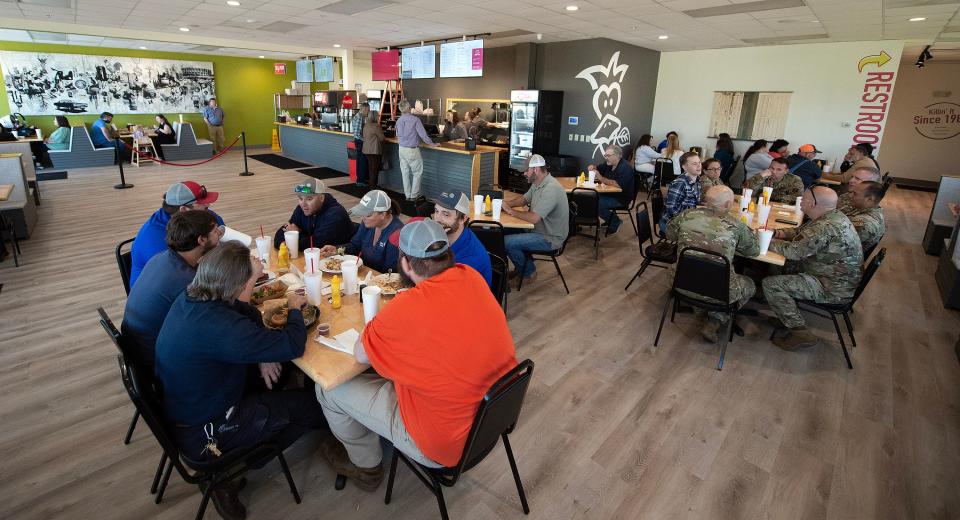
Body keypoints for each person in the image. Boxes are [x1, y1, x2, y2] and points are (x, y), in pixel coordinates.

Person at [314, 219, 517, 490]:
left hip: (443, 446)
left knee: (327, 388)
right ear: (448, 254)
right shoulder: (471, 276)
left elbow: (361, 355)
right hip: (493, 420)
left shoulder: (405, 306)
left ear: (407, 265)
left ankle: (366, 466)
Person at [155, 242, 327, 519]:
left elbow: (243, 312)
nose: (256, 281)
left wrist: (260, 353)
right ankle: (230, 471)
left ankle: (256, 438)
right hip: (208, 430)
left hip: (189, 405)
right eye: (253, 278)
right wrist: (294, 308)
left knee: (281, 373)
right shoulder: (220, 326)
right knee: (317, 404)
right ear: (238, 285)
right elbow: (294, 345)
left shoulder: (194, 296)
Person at [763, 186, 863, 350]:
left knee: (771, 284)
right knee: (777, 267)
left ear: (813, 203)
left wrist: (764, 240)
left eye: (804, 198)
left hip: (831, 288)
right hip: (836, 278)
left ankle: (800, 333)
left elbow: (794, 251)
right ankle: (785, 314)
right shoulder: (832, 216)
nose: (801, 200)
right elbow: (801, 233)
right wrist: (777, 233)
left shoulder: (824, 227)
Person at [121, 210, 220, 367]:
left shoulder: (160, 258)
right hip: (159, 362)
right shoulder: (188, 282)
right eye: (215, 231)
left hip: (138, 348)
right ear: (201, 240)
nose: (220, 233)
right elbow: (220, 322)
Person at [667, 185, 759, 342]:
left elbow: (670, 234)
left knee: (698, 272)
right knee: (749, 284)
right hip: (720, 291)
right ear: (728, 205)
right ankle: (715, 319)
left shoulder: (687, 215)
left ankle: (699, 310)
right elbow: (753, 252)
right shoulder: (737, 226)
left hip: (681, 282)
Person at [130, 181, 225, 288]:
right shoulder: (155, 239)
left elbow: (219, 224)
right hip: (164, 292)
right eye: (204, 207)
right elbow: (182, 279)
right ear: (184, 209)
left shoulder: (193, 215)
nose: (208, 206)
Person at [501, 154, 570, 281]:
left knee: (506, 242)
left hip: (550, 238)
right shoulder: (538, 182)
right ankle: (521, 266)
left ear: (536, 170)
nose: (524, 174)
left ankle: (529, 273)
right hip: (538, 230)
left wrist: (510, 211)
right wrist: (505, 204)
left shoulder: (551, 189)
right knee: (500, 232)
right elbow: (524, 199)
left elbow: (534, 218)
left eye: (527, 171)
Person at [319, 190, 403, 273]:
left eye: (367, 215)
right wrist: (336, 249)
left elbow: (390, 273)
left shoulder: (397, 234)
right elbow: (355, 245)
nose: (362, 218)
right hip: (362, 273)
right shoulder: (368, 223)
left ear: (383, 215)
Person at [430, 190, 493, 286]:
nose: (437, 218)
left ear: (463, 219)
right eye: (436, 211)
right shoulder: (443, 237)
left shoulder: (469, 259)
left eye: (445, 214)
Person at [274, 178, 353, 253]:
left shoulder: (335, 215)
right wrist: (283, 245)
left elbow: (316, 246)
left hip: (343, 259)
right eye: (300, 198)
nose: (303, 204)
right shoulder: (302, 208)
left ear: (321, 198)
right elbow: (282, 232)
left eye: (309, 199)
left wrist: (294, 235)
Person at [395, 99, 439, 201]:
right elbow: (423, 135)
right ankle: (414, 195)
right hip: (412, 150)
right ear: (409, 108)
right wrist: (432, 144)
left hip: (401, 149)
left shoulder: (399, 120)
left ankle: (407, 195)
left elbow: (398, 135)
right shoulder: (415, 120)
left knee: (405, 173)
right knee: (417, 172)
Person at [590, 144, 635, 235]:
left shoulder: (625, 167)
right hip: (610, 194)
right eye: (605, 155)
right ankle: (610, 218)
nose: (606, 158)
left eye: (608, 156)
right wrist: (592, 167)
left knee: (595, 203)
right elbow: (597, 167)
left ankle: (614, 222)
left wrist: (601, 178)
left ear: (617, 155)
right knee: (590, 198)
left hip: (621, 198)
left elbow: (618, 184)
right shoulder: (608, 164)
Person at [659, 151, 703, 235]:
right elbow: (672, 209)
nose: (699, 166)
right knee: (704, 235)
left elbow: (694, 201)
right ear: (684, 167)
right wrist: (696, 209)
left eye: (699, 162)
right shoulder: (680, 183)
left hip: (686, 219)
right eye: (694, 164)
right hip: (670, 224)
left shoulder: (697, 179)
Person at [844, 181, 886, 253]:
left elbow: (834, 242)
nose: (850, 196)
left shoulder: (864, 224)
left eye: (855, 194)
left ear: (869, 199)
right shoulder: (871, 208)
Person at [361, 110, 385, 188]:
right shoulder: (376, 126)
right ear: (375, 117)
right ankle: (373, 186)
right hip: (374, 150)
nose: (378, 117)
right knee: (374, 169)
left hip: (366, 150)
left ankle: (372, 184)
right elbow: (382, 138)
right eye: (378, 115)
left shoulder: (366, 125)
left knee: (371, 168)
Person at [351, 102, 370, 187]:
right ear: (363, 109)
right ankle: (361, 181)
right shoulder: (359, 117)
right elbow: (358, 133)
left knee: (360, 161)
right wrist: (365, 140)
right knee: (361, 162)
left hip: (358, 141)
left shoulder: (359, 116)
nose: (368, 112)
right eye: (368, 110)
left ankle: (361, 180)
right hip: (360, 142)